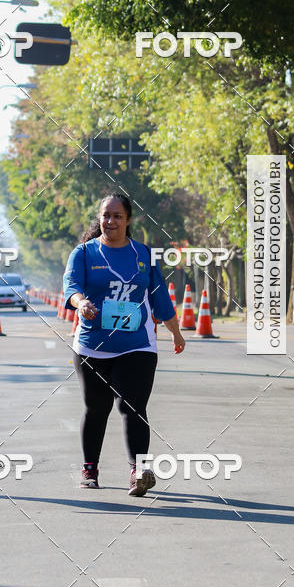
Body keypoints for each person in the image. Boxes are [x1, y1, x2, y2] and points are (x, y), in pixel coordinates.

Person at [63, 194, 186, 496]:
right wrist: (80, 304)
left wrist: (175, 332)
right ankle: (89, 468)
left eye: (117, 216)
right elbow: (71, 287)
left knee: (133, 406)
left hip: (137, 344)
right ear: (99, 217)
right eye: (106, 215)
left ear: (128, 220)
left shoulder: (142, 255)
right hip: (93, 346)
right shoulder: (84, 253)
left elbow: (159, 299)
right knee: (97, 408)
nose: (110, 221)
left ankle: (139, 470)